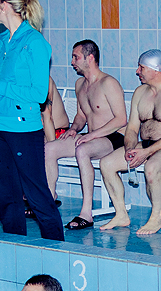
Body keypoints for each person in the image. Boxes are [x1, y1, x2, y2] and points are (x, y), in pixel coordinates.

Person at [0, 0, 65, 241]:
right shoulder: (1, 41)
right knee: (7, 197)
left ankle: (58, 249)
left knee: (37, 195)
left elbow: (38, 93)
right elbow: (3, 86)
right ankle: (15, 247)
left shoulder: (34, 42)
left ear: (5, 5)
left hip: (23, 130)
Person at [97, 49, 161, 235]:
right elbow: (132, 128)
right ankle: (121, 214)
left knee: (151, 167)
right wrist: (129, 148)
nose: (137, 71)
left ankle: (156, 218)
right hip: (147, 145)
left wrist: (146, 153)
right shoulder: (140, 92)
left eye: (141, 68)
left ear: (155, 69)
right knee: (106, 164)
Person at [44, 40, 127, 230]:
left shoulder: (108, 83)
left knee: (82, 150)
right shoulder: (80, 84)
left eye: (76, 57)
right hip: (92, 137)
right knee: (49, 148)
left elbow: (121, 119)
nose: (72, 62)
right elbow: (82, 115)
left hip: (114, 138)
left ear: (90, 58)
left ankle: (86, 213)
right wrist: (74, 128)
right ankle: (49, 198)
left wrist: (92, 135)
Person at [41, 76, 70, 142]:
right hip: (38, 132)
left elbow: (47, 117)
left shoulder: (43, 79)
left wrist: (52, 145)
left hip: (58, 133)